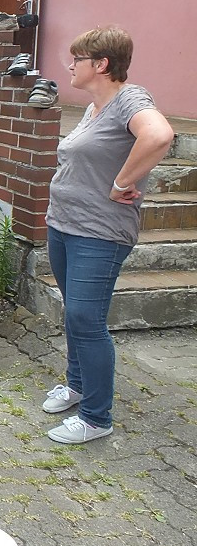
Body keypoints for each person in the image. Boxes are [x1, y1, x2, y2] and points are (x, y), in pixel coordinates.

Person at [42, 27, 173, 445]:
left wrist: (122, 181)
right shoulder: (94, 107)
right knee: (74, 313)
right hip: (64, 224)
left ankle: (96, 417)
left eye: (76, 59)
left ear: (101, 65)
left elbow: (159, 135)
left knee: (87, 318)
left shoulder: (129, 99)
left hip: (99, 233)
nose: (69, 65)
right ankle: (77, 385)